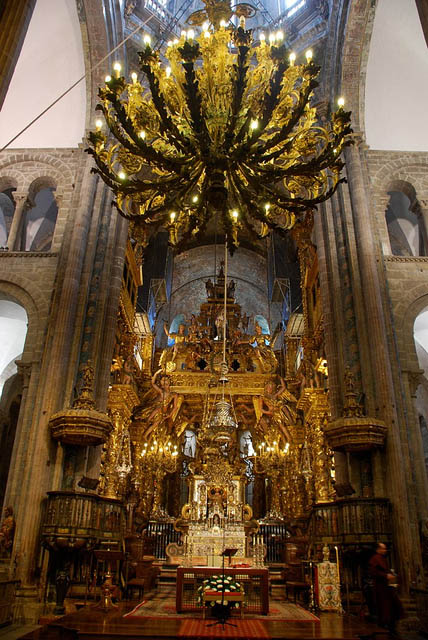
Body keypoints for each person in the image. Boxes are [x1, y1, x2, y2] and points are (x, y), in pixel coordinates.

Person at [368, 542, 403, 634]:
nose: (385, 550)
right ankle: (385, 625)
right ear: (378, 549)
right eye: (383, 549)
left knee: (392, 606)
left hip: (386, 587)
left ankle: (391, 625)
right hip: (380, 587)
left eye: (385, 548)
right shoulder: (375, 559)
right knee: (384, 607)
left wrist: (391, 575)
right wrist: (385, 576)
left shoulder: (382, 559)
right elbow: (373, 572)